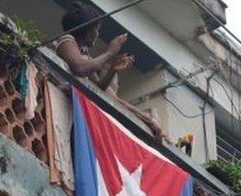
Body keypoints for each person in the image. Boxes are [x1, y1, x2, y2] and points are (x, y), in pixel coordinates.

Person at [55, 2, 164, 140]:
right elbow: (80, 68)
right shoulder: (67, 40)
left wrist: (113, 69)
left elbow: (99, 88)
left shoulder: (84, 53)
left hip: (74, 109)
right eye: (97, 28)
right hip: (62, 102)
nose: (97, 34)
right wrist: (110, 52)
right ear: (88, 28)